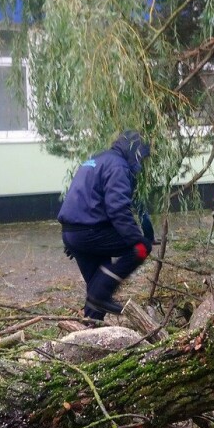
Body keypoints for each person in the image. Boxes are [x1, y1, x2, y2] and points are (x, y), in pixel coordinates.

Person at [58, 131, 153, 319]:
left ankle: (91, 332)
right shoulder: (118, 167)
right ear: (134, 151)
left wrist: (74, 240)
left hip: (72, 233)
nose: (141, 163)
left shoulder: (97, 159)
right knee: (141, 248)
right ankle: (100, 295)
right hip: (90, 232)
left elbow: (81, 197)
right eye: (141, 157)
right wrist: (138, 240)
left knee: (97, 283)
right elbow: (118, 209)